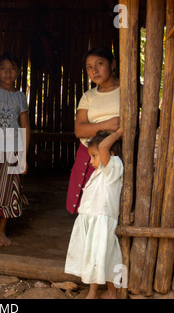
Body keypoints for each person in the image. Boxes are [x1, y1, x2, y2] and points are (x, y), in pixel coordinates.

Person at [64, 128, 124, 299]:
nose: (91, 161)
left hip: (101, 222)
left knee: (106, 257)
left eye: (94, 156)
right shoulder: (99, 172)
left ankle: (109, 292)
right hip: (91, 221)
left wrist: (119, 133)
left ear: (110, 153)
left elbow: (104, 146)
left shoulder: (113, 168)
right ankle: (94, 291)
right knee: (94, 257)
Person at [0, 53, 30, 247]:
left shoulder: (20, 96)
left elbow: (25, 126)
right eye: (3, 68)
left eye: (12, 69)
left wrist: (24, 156)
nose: (7, 72)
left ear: (18, 72)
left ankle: (1, 230)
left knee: (9, 189)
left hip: (12, 148)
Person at [66, 47, 120, 214]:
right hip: (89, 154)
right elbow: (79, 131)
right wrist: (108, 125)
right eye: (89, 67)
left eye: (99, 64)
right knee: (87, 204)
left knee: (109, 204)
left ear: (112, 64)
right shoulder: (89, 96)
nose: (94, 70)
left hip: (116, 153)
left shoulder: (129, 89)